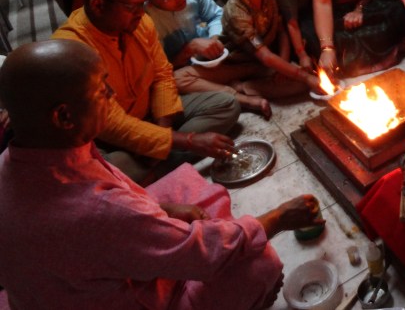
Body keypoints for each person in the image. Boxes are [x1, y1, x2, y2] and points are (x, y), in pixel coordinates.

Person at [0, 39, 325, 310]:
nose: (111, 94)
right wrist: (278, 217)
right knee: (258, 263)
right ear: (64, 117)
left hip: (65, 283)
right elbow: (200, 256)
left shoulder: (12, 162)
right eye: (101, 90)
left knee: (183, 183)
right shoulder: (99, 211)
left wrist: (163, 211)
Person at [52, 0, 240, 184]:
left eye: (143, 4)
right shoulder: (73, 50)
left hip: (153, 115)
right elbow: (109, 123)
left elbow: (162, 75)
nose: (141, 13)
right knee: (105, 170)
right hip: (111, 139)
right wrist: (188, 140)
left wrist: (161, 135)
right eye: (132, 7)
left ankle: (153, 168)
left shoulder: (141, 22)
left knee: (226, 105)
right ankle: (157, 166)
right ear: (98, 5)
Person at [139, 0, 273, 116]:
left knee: (244, 43)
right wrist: (188, 50)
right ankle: (241, 96)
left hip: (212, 59)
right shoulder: (145, 21)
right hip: (185, 70)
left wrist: (213, 40)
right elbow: (159, 72)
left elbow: (215, 15)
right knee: (176, 80)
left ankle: (241, 79)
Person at [221, 0, 323, 97]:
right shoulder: (237, 12)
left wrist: (284, 61)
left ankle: (270, 75)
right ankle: (243, 86)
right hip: (243, 61)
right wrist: (305, 77)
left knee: (309, 67)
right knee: (302, 83)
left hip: (268, 55)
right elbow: (265, 56)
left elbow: (281, 30)